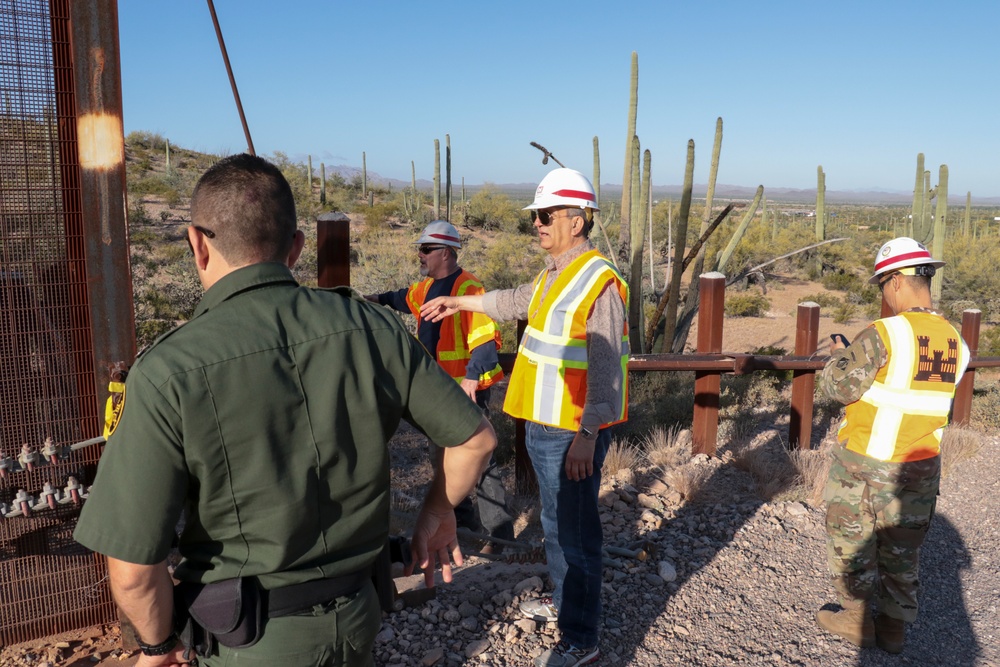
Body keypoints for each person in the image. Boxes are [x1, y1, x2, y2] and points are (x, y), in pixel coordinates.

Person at [73, 154, 496, 667]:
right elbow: (475, 439)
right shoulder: (371, 328)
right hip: (359, 617)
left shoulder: (169, 371)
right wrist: (437, 510)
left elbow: (134, 568)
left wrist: (157, 647)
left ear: (197, 244)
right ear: (295, 248)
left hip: (246, 640)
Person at [421, 168, 628, 667]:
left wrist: (586, 434)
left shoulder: (597, 281)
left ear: (577, 221)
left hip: (570, 431)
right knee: (557, 527)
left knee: (574, 536)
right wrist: (458, 300)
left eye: (544, 215)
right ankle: (565, 607)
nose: (536, 223)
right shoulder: (556, 272)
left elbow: (606, 374)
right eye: (536, 215)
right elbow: (515, 301)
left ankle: (581, 641)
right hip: (544, 426)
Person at [816, 237, 969, 654]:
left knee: (853, 538)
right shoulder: (956, 339)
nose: (884, 293)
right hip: (921, 464)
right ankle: (895, 630)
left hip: (868, 459)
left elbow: (838, 388)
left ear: (898, 282)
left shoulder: (885, 332)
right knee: (902, 548)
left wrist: (839, 357)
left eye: (883, 283)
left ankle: (857, 618)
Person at [365, 220, 515, 551]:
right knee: (443, 459)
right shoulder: (425, 289)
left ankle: (499, 536)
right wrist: (367, 299)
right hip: (438, 391)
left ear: (445, 252)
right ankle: (462, 525)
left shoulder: (469, 289)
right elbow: (401, 298)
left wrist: (472, 377)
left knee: (481, 462)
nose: (419, 255)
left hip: (464, 388)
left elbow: (485, 340)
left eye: (425, 249)